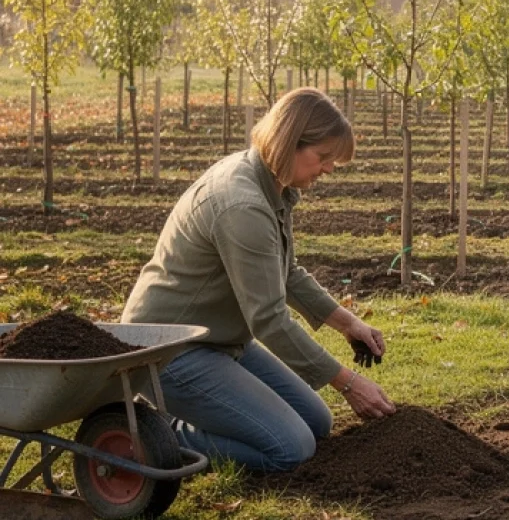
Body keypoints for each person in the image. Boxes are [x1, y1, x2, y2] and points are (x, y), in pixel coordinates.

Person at [122, 87, 396, 472]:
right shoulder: (243, 206)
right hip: (168, 352)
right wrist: (348, 383)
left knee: (317, 423)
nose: (329, 169)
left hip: (217, 340)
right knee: (290, 448)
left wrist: (348, 324)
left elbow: (287, 274)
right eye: (323, 157)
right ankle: (158, 432)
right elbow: (269, 320)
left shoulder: (271, 185)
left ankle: (193, 419)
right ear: (290, 142)